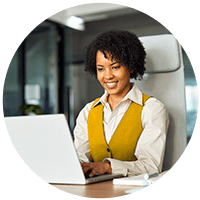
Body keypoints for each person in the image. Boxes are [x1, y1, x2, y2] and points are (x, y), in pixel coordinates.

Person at [74, 30, 169, 178]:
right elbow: (80, 159)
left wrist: (108, 167)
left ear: (130, 67)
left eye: (115, 67)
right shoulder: (88, 111)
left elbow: (151, 166)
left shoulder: (152, 109)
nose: (107, 75)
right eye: (101, 69)